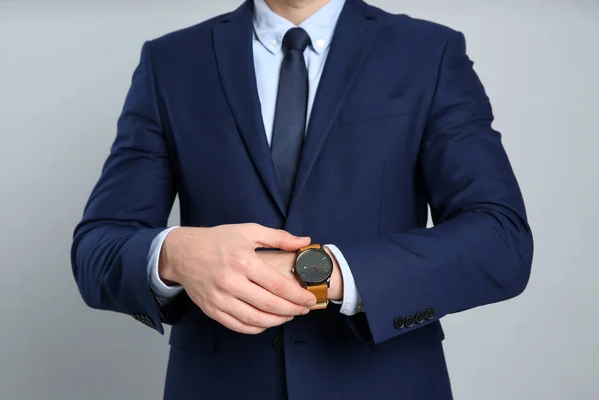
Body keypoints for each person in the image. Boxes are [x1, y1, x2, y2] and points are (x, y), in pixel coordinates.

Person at [71, 0, 534, 398]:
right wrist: (175, 253)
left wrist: (323, 272)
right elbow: (97, 247)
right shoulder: (170, 61)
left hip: (386, 382)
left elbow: (500, 238)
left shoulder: (428, 52)